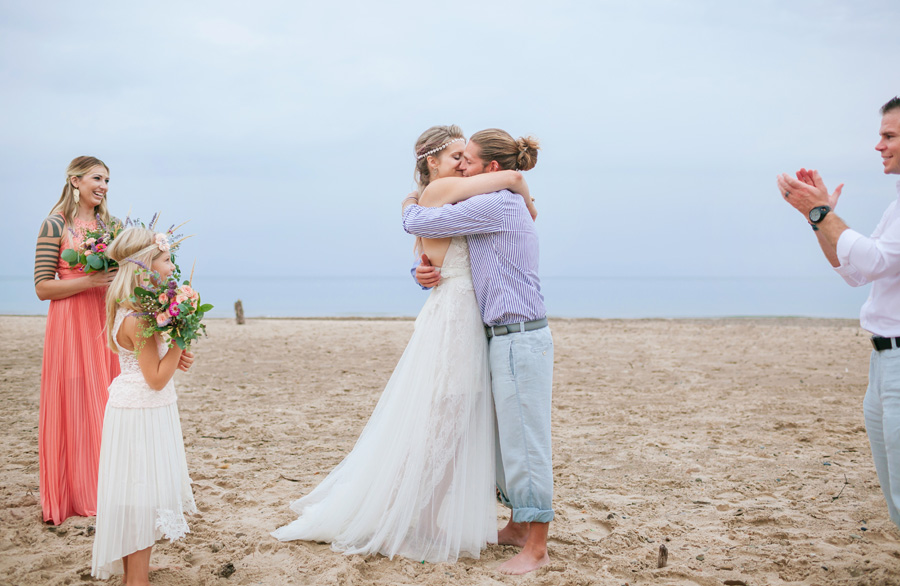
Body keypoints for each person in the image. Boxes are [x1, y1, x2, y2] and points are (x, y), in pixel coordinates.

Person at [271, 125, 534, 563]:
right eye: (455, 156)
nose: (463, 164)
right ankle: (417, 519)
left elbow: (431, 250)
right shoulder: (448, 189)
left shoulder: (452, 195)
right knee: (441, 425)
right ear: (433, 162)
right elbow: (501, 184)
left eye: (467, 157)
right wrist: (517, 183)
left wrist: (419, 262)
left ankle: (428, 518)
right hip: (454, 319)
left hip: (463, 314)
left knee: (452, 425)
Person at [404, 128, 553, 575]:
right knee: (510, 438)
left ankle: (537, 549)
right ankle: (517, 526)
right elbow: (446, 249)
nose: (462, 164)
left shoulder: (497, 204)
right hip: (504, 335)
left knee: (527, 443)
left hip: (518, 336)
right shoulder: (496, 200)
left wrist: (408, 204)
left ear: (491, 168)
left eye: (467, 158)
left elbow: (420, 222)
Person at [778, 96, 900, 528]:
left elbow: (872, 262)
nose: (879, 145)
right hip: (882, 361)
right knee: (895, 496)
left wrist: (822, 212)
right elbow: (853, 272)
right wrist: (817, 219)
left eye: (889, 136)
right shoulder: (895, 207)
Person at [91, 227, 196, 583]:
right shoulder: (140, 318)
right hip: (142, 409)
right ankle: (137, 579)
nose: (171, 267)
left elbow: (150, 363)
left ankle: (137, 572)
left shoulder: (133, 310)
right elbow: (155, 378)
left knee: (140, 494)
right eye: (166, 259)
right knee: (140, 498)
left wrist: (172, 351)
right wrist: (182, 336)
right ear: (146, 268)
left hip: (139, 406)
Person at [33, 156, 121, 525]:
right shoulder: (56, 224)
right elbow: (41, 288)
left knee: (106, 402)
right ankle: (75, 492)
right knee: (74, 403)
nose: (102, 185)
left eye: (107, 180)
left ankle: (108, 487)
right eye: (96, 178)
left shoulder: (111, 225)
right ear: (75, 180)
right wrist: (87, 281)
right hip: (70, 323)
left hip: (103, 320)